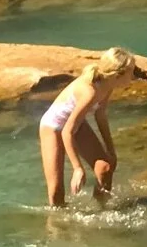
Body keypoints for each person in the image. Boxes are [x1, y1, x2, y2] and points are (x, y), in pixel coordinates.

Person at [39, 47, 132, 209]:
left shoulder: (108, 85)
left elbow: (100, 115)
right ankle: (57, 225)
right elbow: (67, 131)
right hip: (53, 126)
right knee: (56, 192)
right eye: (131, 71)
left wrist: (111, 151)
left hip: (76, 124)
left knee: (105, 168)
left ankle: (101, 210)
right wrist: (77, 168)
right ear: (118, 74)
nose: (134, 75)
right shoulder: (89, 91)